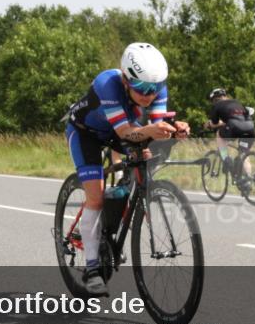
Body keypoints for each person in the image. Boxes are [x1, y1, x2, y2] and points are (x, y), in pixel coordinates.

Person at [65, 42, 190, 296]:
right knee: (96, 197)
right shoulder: (107, 84)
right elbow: (125, 132)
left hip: (117, 131)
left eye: (154, 89)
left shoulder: (156, 89)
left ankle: (117, 211)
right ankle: (92, 269)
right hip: (86, 133)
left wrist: (175, 130)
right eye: (142, 88)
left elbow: (155, 129)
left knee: (144, 157)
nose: (149, 95)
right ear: (125, 79)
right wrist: (153, 131)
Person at [204, 88, 255, 176]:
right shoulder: (237, 102)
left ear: (214, 99)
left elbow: (215, 123)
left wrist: (208, 124)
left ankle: (225, 158)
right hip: (250, 128)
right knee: (243, 155)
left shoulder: (217, 105)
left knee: (219, 134)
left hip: (234, 127)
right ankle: (248, 180)